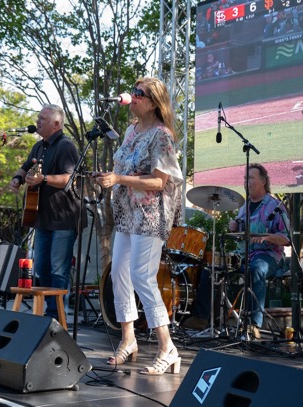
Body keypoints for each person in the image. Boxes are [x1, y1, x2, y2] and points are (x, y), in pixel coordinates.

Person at [95, 77, 183, 375]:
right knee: (118, 272)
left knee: (141, 276)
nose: (132, 97)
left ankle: (167, 348)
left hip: (150, 215)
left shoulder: (162, 136)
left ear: (154, 103)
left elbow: (160, 181)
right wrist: (110, 176)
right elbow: (124, 167)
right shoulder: (132, 131)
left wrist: (119, 179)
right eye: (132, 92)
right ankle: (128, 339)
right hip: (126, 213)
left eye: (139, 93)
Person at [182, 164, 290, 336]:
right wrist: (233, 227)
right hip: (242, 255)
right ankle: (200, 317)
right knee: (212, 266)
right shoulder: (243, 206)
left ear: (263, 181)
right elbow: (238, 233)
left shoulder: (275, 206)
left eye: (251, 178)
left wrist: (267, 237)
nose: (247, 182)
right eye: (245, 178)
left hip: (268, 255)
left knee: (256, 270)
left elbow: (286, 238)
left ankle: (253, 324)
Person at [8, 105, 85, 320]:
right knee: (41, 268)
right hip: (43, 218)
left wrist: (45, 179)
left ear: (56, 124)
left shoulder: (66, 146)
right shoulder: (39, 147)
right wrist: (17, 179)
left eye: (43, 119)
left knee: (58, 271)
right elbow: (24, 168)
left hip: (63, 218)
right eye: (38, 118)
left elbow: (71, 179)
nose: (38, 121)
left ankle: (56, 318)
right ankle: (45, 317)